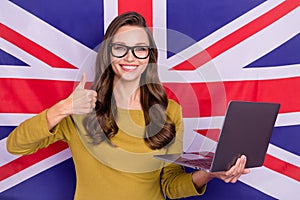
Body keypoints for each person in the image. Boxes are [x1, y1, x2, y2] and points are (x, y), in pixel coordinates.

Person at [6, 12, 249, 200]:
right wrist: (63, 108)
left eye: (140, 49)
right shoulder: (81, 108)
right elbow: (15, 145)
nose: (130, 57)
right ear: (107, 54)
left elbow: (170, 186)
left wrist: (211, 173)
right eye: (120, 48)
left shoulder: (170, 111)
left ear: (149, 57)